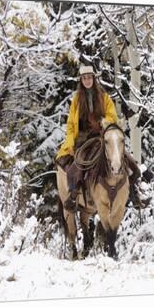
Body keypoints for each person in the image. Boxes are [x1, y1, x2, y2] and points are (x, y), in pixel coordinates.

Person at [55, 64, 143, 211]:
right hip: (83, 139)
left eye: (89, 78)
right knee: (75, 168)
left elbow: (112, 115)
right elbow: (71, 124)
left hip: (102, 136)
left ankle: (134, 193)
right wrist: (70, 143)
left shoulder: (104, 97)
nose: (87, 81)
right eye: (84, 78)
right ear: (81, 81)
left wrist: (102, 123)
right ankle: (73, 195)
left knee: (129, 161)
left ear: (94, 79)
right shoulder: (76, 100)